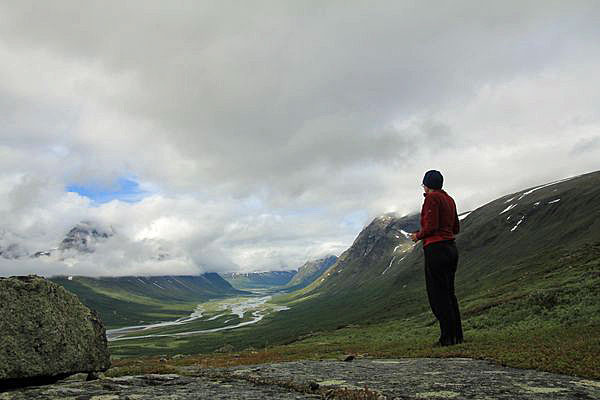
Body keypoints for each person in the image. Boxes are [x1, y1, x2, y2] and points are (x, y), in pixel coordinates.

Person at [409, 170, 463, 346]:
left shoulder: (431, 199)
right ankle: (456, 336)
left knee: (438, 295)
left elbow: (431, 226)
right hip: (450, 248)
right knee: (449, 293)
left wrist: (418, 235)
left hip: (436, 249)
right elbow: (456, 228)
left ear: (427, 184)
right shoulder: (450, 199)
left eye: (424, 184)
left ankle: (447, 338)